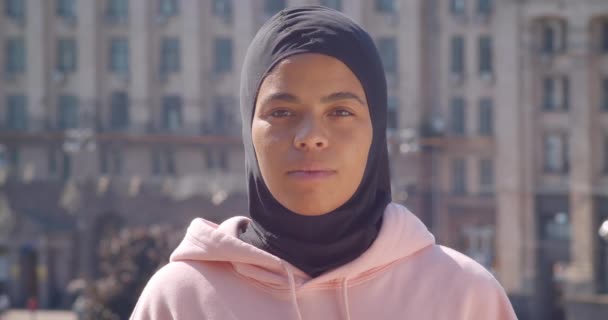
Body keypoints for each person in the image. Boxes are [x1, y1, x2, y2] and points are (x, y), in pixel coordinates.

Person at [131, 6, 517, 320]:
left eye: (340, 111)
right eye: (282, 112)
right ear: (249, 130)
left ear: (376, 130)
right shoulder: (180, 301)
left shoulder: (464, 297)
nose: (310, 136)